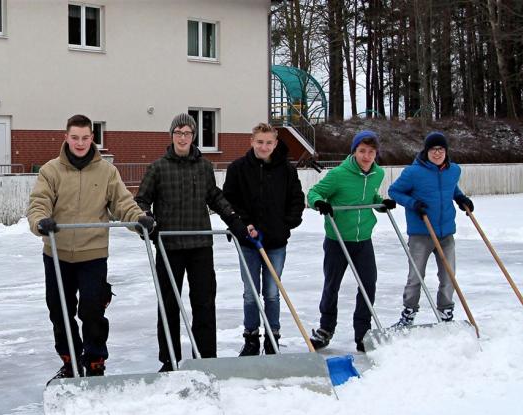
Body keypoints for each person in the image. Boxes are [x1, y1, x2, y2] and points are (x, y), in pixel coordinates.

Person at [27, 114, 153, 381]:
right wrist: (40, 222)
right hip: (57, 253)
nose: (80, 143)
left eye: (85, 138)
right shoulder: (51, 170)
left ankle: (95, 360)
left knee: (92, 310)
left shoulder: (106, 171)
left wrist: (138, 220)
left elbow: (123, 203)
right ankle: (70, 361)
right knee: (60, 310)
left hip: (93, 254)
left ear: (92, 138)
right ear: (66, 137)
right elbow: (39, 203)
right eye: (75, 137)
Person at [135, 113, 243, 371]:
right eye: (178, 132)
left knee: (204, 303)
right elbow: (141, 200)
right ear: (171, 135)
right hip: (169, 247)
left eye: (187, 133)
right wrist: (147, 221)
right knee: (169, 304)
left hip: (200, 246)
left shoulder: (204, 166)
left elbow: (214, 196)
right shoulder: (158, 167)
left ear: (193, 136)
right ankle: (169, 359)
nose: (182, 138)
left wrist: (233, 218)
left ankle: (205, 358)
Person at [306, 130, 396, 352]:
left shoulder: (377, 174)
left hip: (363, 240)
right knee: (332, 285)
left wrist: (381, 203)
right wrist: (319, 203)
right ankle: (326, 328)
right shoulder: (338, 174)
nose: (366, 156)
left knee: (368, 285)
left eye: (371, 152)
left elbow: (371, 196)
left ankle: (362, 333)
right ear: (354, 151)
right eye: (362, 151)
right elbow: (314, 192)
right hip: (337, 239)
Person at [222, 123, 305, 356]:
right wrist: (244, 225)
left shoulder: (286, 170)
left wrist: (285, 224)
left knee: (272, 292)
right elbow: (229, 202)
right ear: (252, 141)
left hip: (276, 243)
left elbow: (297, 200)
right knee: (251, 293)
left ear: (275, 144)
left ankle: (272, 337)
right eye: (260, 142)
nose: (264, 146)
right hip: (248, 243)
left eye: (269, 142)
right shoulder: (238, 169)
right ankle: (251, 338)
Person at [387, 132, 474, 326]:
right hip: (421, 233)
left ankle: (446, 313)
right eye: (433, 149)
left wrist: (460, 198)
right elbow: (394, 191)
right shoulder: (413, 172)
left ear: (446, 151)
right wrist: (413, 203)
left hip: (446, 233)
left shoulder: (454, 170)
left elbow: (451, 188)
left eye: (441, 149)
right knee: (416, 276)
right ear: (426, 151)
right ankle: (408, 313)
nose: (437, 153)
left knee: (448, 276)